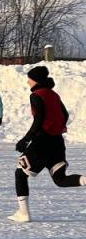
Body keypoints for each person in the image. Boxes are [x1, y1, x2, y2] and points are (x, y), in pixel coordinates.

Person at [9, 65, 86, 223]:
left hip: (41, 143)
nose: (27, 81)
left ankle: (23, 214)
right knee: (60, 180)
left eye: (29, 78)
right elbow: (65, 114)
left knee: (20, 174)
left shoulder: (37, 95)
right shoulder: (54, 94)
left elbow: (39, 119)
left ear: (35, 80)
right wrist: (56, 128)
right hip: (57, 142)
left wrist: (26, 139)